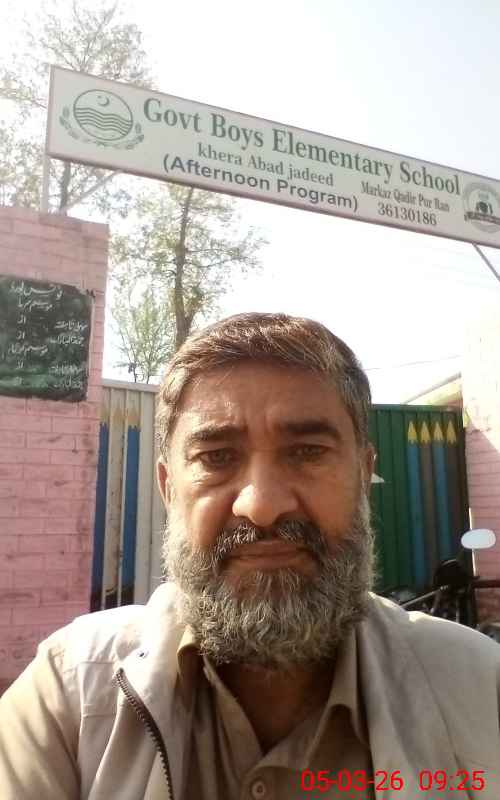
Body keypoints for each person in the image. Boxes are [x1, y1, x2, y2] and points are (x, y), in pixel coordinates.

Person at [1, 312, 499, 800]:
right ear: (169, 488)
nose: (261, 506)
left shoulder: (480, 689)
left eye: (307, 451)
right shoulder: (69, 695)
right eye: (216, 457)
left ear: (363, 475)